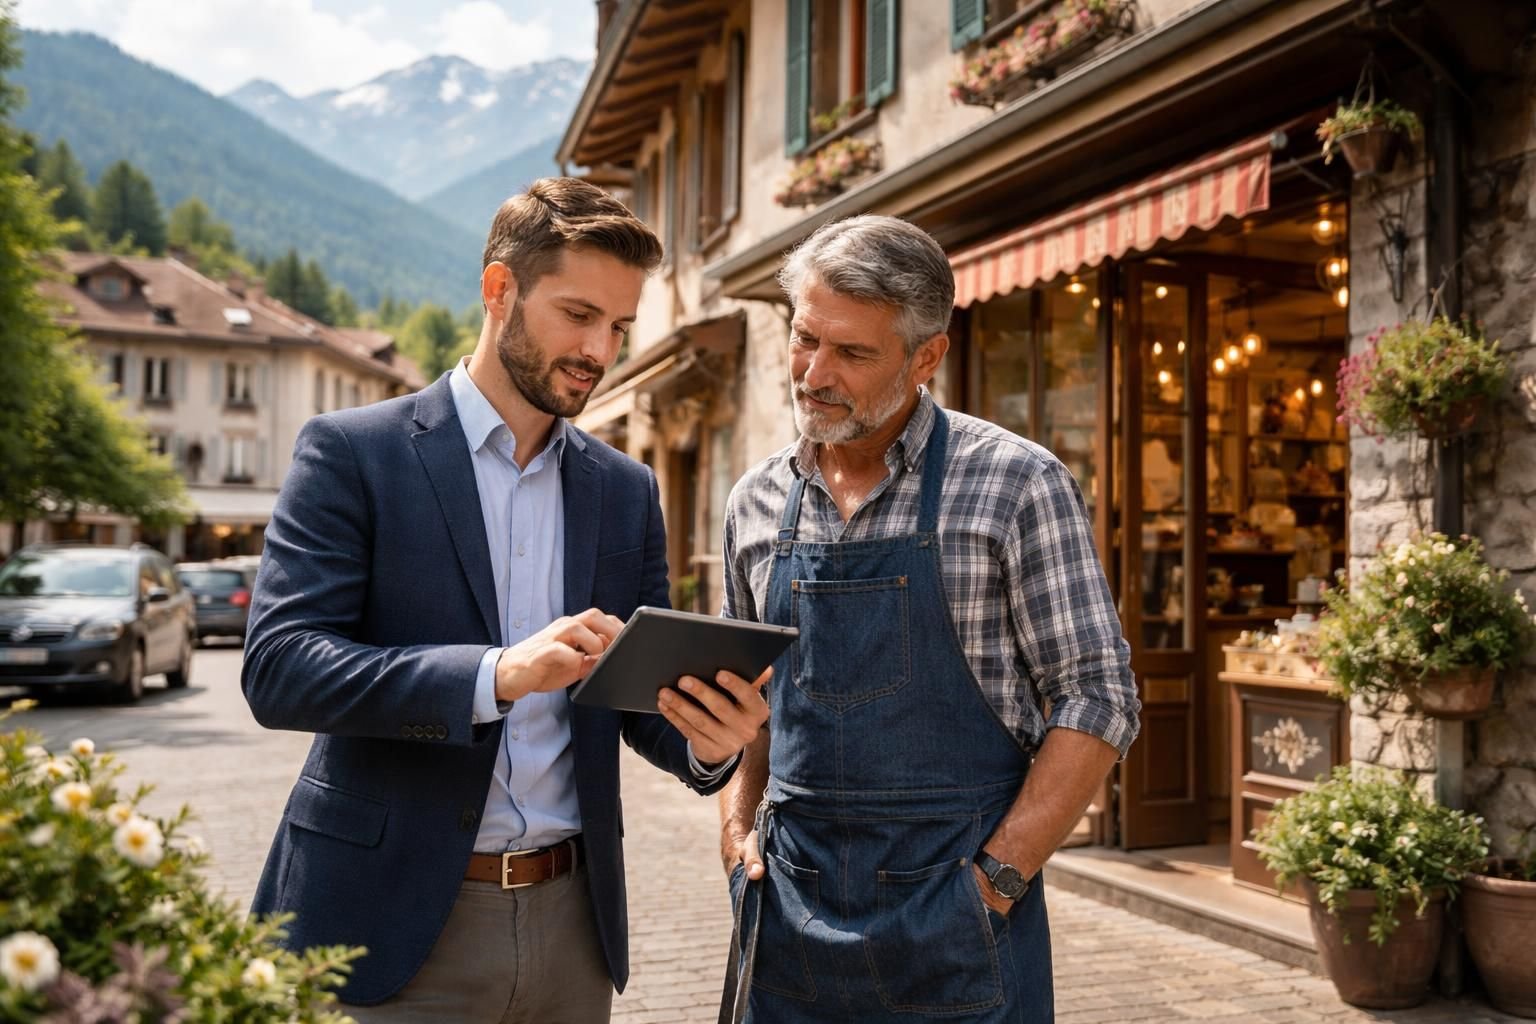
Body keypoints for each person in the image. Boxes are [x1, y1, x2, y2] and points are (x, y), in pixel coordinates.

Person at [243, 177, 769, 1022]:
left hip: (573, 928)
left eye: (619, 326)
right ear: (499, 289)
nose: (599, 349)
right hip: (385, 921)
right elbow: (281, 669)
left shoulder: (626, 490)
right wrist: (494, 675)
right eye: (578, 314)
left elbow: (637, 703)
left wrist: (710, 742)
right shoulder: (353, 453)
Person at [715, 216, 1141, 1023]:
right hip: (788, 919)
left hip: (961, 924)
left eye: (852, 353)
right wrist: (736, 837)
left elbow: (1098, 697)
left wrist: (996, 883)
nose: (814, 373)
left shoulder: (1017, 484)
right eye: (805, 339)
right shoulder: (755, 501)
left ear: (926, 357)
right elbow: (748, 704)